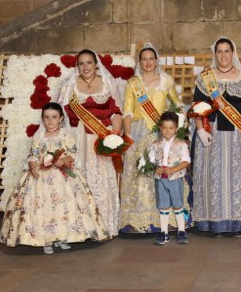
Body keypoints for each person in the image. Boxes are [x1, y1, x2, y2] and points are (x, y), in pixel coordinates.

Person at [0, 103, 110, 253]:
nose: (50, 121)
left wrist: (63, 161)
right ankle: (46, 240)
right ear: (42, 119)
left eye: (54, 117)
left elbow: (73, 153)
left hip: (62, 175)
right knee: (43, 205)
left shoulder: (66, 135)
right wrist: (33, 167)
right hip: (41, 175)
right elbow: (33, 154)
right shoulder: (39, 136)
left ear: (61, 119)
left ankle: (62, 237)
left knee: (63, 206)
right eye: (46, 117)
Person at [192, 37, 241, 235]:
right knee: (213, 178)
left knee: (238, 178)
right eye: (219, 51)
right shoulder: (205, 77)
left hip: (239, 135)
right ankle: (214, 222)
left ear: (233, 53)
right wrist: (200, 130)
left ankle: (239, 222)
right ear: (215, 54)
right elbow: (198, 106)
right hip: (211, 133)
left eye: (227, 51)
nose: (223, 55)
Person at [120, 44, 184, 234]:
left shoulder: (166, 81)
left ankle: (167, 219)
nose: (148, 62)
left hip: (162, 133)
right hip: (140, 132)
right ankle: (139, 220)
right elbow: (128, 112)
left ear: (157, 61)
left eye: (151, 58)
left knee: (164, 174)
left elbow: (178, 105)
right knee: (140, 174)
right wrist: (129, 136)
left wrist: (178, 128)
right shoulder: (133, 83)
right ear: (140, 62)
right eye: (144, 59)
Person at [57, 49, 122, 236]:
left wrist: (115, 135)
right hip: (79, 138)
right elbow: (62, 114)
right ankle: (82, 229)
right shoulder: (70, 85)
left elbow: (116, 111)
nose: (85, 67)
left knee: (102, 179)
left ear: (96, 64)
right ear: (77, 66)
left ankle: (104, 225)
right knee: (80, 177)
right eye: (81, 63)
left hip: (102, 138)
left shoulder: (107, 82)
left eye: (89, 63)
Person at [150, 111, 191, 246]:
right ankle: (164, 233)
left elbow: (186, 161)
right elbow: (150, 162)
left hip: (175, 179)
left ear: (176, 129)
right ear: (160, 128)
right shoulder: (155, 145)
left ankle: (181, 231)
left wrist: (173, 169)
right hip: (160, 180)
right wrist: (155, 168)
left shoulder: (181, 144)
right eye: (165, 128)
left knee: (178, 204)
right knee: (163, 206)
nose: (167, 131)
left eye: (171, 128)